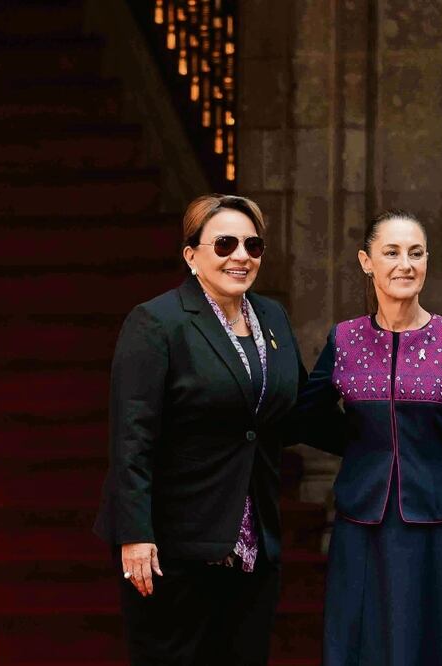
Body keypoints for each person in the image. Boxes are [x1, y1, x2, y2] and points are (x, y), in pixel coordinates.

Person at [93, 194, 308, 665]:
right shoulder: (157, 321)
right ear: (191, 255)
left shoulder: (272, 317)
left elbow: (295, 410)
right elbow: (132, 437)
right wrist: (135, 533)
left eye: (253, 245)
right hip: (173, 545)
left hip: (252, 544)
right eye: (225, 243)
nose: (241, 256)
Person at [296, 210, 442, 665]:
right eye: (391, 252)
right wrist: (367, 444)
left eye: (416, 253)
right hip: (362, 526)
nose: (405, 264)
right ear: (367, 262)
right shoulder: (344, 339)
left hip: (439, 528)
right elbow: (306, 416)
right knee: (362, 644)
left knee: (438, 648)